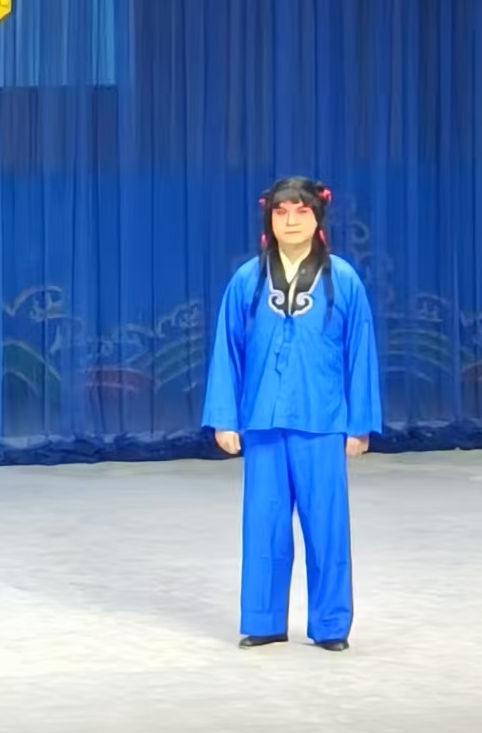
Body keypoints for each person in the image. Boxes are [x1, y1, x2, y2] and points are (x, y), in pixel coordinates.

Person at [201, 175, 382, 653]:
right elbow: (228, 350)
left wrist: (359, 424)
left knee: (327, 527)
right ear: (269, 220)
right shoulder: (248, 279)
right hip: (262, 419)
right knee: (264, 525)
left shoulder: (342, 279)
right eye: (281, 212)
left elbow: (360, 352)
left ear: (318, 217)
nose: (292, 221)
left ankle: (331, 625)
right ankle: (263, 620)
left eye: (302, 211)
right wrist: (225, 417)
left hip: (322, 420)